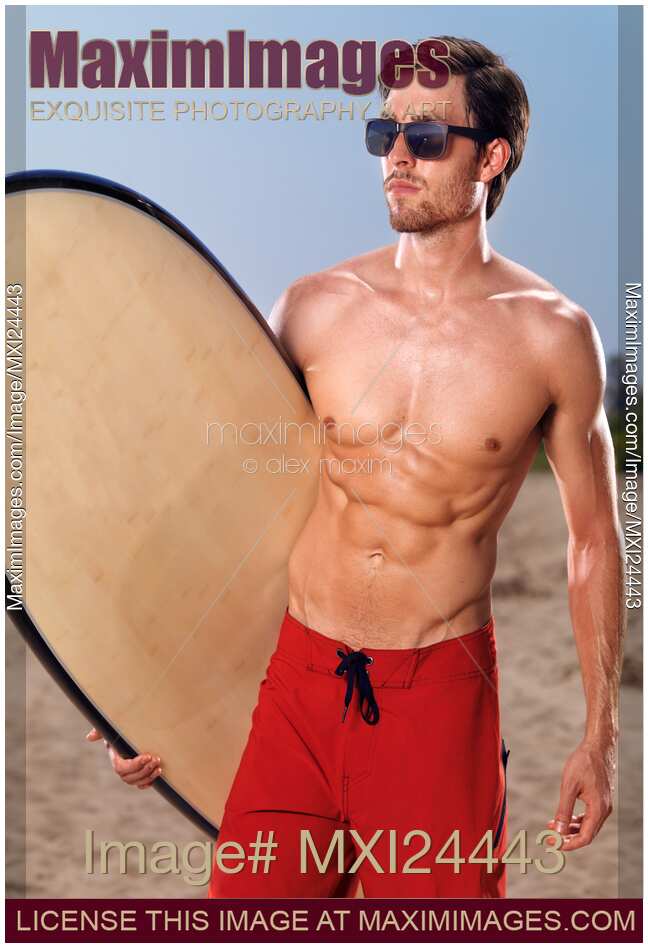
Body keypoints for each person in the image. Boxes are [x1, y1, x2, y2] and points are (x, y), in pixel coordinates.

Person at [87, 36, 623, 898]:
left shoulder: (553, 338)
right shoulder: (312, 309)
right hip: (298, 688)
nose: (397, 157)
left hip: (439, 701)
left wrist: (599, 739)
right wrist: (122, 689)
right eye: (384, 135)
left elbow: (593, 540)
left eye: (427, 138)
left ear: (491, 156)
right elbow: (219, 499)